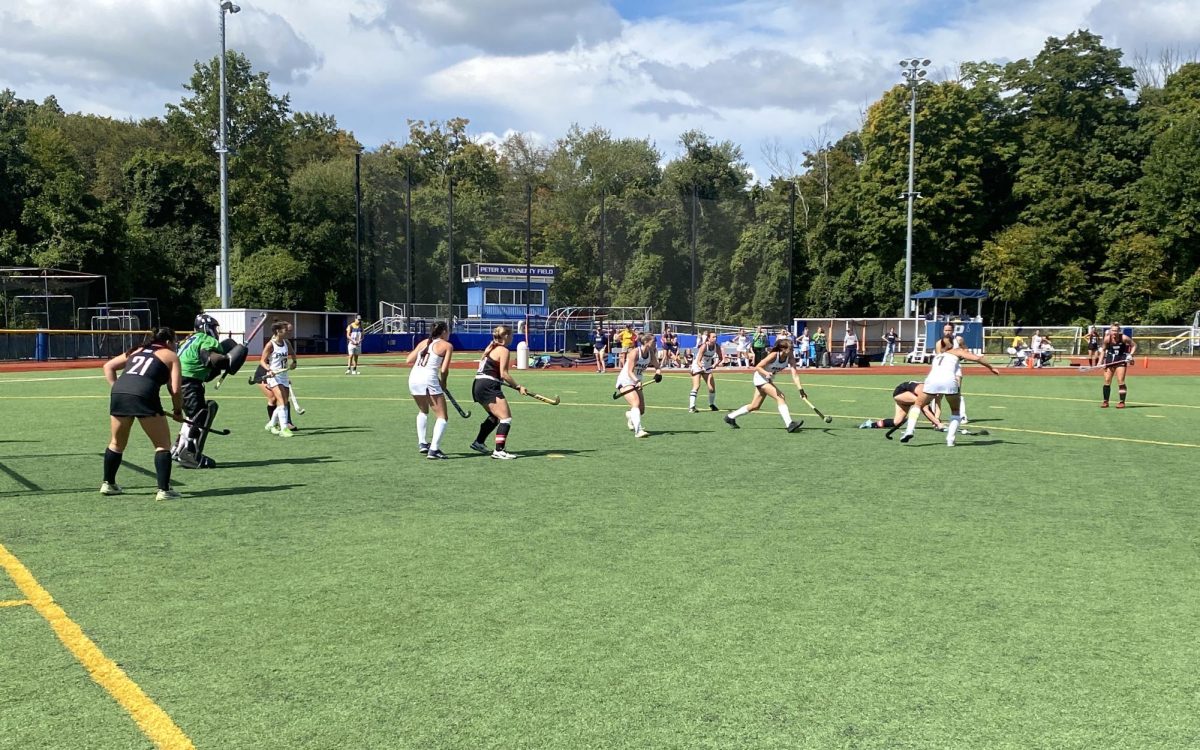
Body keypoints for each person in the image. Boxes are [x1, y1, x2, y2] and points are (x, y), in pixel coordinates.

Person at [101, 327, 184, 501]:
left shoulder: (137, 350)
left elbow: (108, 366)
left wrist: (118, 388)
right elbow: (175, 389)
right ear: (168, 342)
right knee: (162, 445)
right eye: (175, 342)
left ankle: (108, 483)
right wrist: (178, 410)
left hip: (119, 395)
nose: (175, 345)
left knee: (116, 443)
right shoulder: (171, 356)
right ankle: (164, 490)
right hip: (145, 396)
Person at [898, 338, 999, 446]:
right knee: (955, 411)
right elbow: (978, 358)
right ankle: (950, 440)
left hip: (932, 380)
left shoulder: (939, 355)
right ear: (953, 344)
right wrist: (991, 368)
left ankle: (909, 430)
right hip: (949, 381)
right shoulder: (957, 351)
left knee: (917, 405)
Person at [172, 313, 230, 468]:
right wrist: (229, 360)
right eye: (212, 327)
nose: (215, 331)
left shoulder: (189, 339)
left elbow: (206, 373)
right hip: (188, 381)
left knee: (192, 416)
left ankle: (178, 448)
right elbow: (209, 358)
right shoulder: (206, 339)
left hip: (176, 379)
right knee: (201, 415)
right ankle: (190, 455)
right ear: (206, 328)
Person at [724, 338, 805, 432]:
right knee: (780, 397)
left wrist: (801, 390)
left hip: (767, 379)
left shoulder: (790, 357)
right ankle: (789, 424)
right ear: (783, 349)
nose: (792, 351)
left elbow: (795, 375)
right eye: (790, 349)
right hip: (760, 378)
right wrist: (766, 373)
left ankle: (730, 417)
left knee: (755, 405)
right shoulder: (774, 355)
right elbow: (757, 367)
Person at [471, 325, 528, 459]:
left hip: (478, 384)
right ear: (506, 336)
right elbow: (504, 374)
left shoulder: (491, 347)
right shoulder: (503, 350)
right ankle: (499, 450)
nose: (512, 338)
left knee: (494, 416)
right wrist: (518, 386)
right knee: (506, 418)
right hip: (488, 385)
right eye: (511, 335)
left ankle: (479, 442)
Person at [407, 321, 454, 459]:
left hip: (414, 378)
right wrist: (443, 383)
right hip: (428, 379)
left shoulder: (424, 343)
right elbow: (444, 369)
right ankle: (434, 449)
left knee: (423, 410)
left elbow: (408, 359)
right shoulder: (447, 346)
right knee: (442, 417)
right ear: (444, 331)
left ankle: (422, 443)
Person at [615, 332, 661, 438]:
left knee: (641, 410)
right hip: (626, 380)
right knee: (636, 403)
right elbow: (630, 371)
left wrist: (658, 374)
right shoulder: (635, 352)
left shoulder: (651, 353)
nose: (656, 343)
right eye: (654, 341)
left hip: (637, 381)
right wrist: (636, 381)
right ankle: (638, 430)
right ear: (646, 342)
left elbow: (657, 367)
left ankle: (631, 415)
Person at [261, 321, 298, 437]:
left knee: (284, 402)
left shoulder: (286, 342)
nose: (287, 332)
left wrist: (294, 362)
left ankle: (271, 423)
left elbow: (292, 354)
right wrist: (269, 369)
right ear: (278, 331)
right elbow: (262, 360)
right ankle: (284, 428)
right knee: (281, 401)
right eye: (285, 330)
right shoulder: (270, 345)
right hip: (274, 376)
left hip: (284, 376)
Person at [858, 381, 942, 431]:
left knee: (897, 422)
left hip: (908, 395)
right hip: (900, 393)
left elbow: (937, 406)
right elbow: (925, 408)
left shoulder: (936, 392)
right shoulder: (924, 390)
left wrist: (936, 419)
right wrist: (937, 423)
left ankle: (870, 424)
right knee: (921, 403)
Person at [1100, 322, 1137, 408]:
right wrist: (1100, 362)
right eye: (1113, 330)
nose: (1114, 332)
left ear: (1119, 331)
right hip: (1109, 360)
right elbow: (1103, 350)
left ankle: (1122, 402)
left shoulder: (1123, 338)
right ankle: (1105, 401)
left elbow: (1134, 345)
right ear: (1110, 330)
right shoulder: (1107, 339)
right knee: (1107, 380)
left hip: (1121, 360)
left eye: (1116, 331)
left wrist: (1130, 355)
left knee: (1120, 380)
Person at [689, 331, 724, 413]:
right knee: (696, 386)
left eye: (716, 337)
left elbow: (721, 358)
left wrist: (715, 364)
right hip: (697, 366)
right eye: (713, 337)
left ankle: (711, 404)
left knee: (711, 388)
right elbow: (698, 360)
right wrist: (701, 366)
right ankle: (692, 407)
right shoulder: (704, 346)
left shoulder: (717, 347)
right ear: (709, 338)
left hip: (707, 367)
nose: (715, 339)